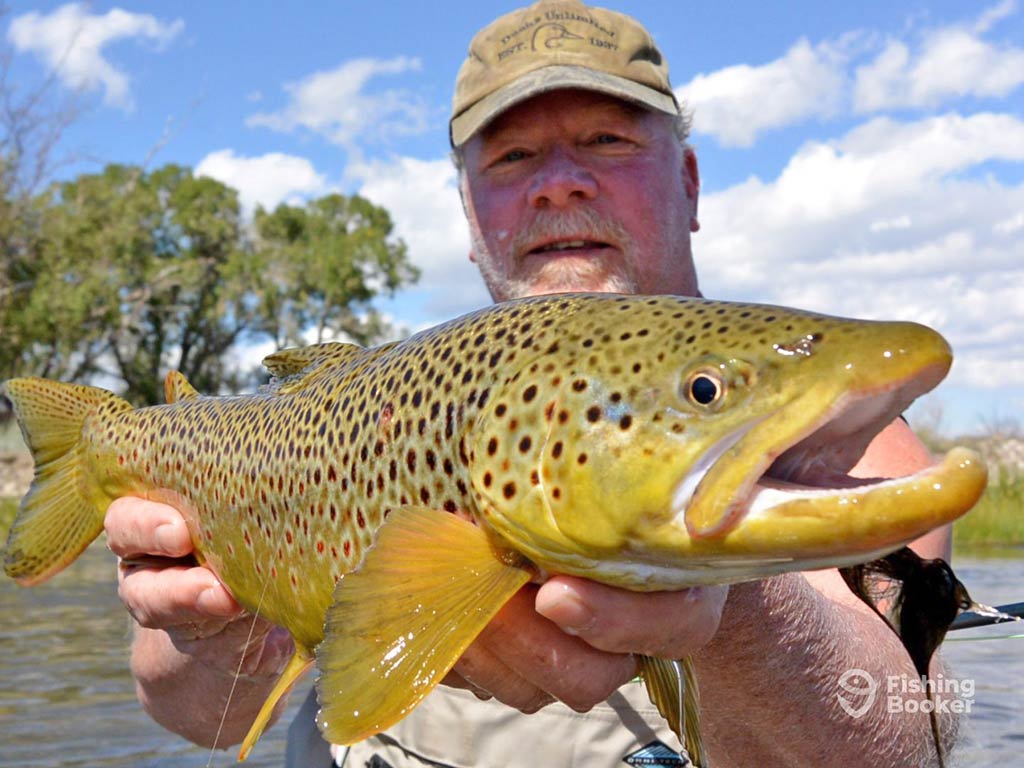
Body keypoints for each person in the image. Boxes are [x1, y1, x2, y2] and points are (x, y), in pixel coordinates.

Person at [105, 1, 956, 766]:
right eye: (512, 157)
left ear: (689, 182)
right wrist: (215, 626)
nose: (559, 182)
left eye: (607, 141)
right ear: (471, 218)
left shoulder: (850, 446)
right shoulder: (384, 403)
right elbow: (192, 717)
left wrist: (733, 605)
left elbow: (900, 740)